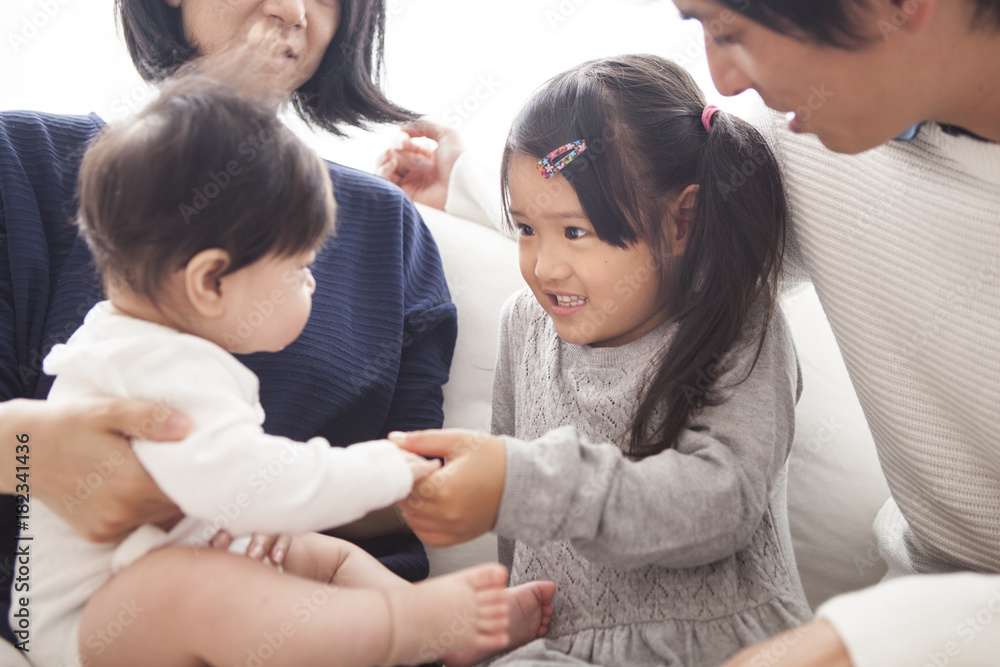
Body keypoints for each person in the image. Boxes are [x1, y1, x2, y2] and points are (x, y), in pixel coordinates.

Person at [380, 1, 1000, 665]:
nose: (722, 81)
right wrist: (469, 181)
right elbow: (639, 208)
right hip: (920, 593)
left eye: (731, 31)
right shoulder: (811, 130)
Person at [24, 72, 557, 667]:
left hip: (163, 565)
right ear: (210, 282)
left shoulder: (148, 343)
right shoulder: (151, 364)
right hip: (84, 629)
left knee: (314, 554)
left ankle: (431, 629)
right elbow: (250, 486)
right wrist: (384, 467)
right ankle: (401, 625)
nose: (311, 282)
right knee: (188, 586)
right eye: (301, 267)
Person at [0, 0, 458, 642]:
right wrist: (21, 447)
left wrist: (254, 501)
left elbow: (421, 480)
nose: (292, 10)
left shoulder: (391, 228)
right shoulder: (19, 160)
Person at [388, 54, 812, 666]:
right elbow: (518, 523)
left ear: (681, 222)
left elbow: (723, 502)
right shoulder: (525, 326)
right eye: (527, 229)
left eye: (576, 232)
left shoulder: (735, 320)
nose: (544, 265)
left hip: (720, 645)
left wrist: (526, 481)